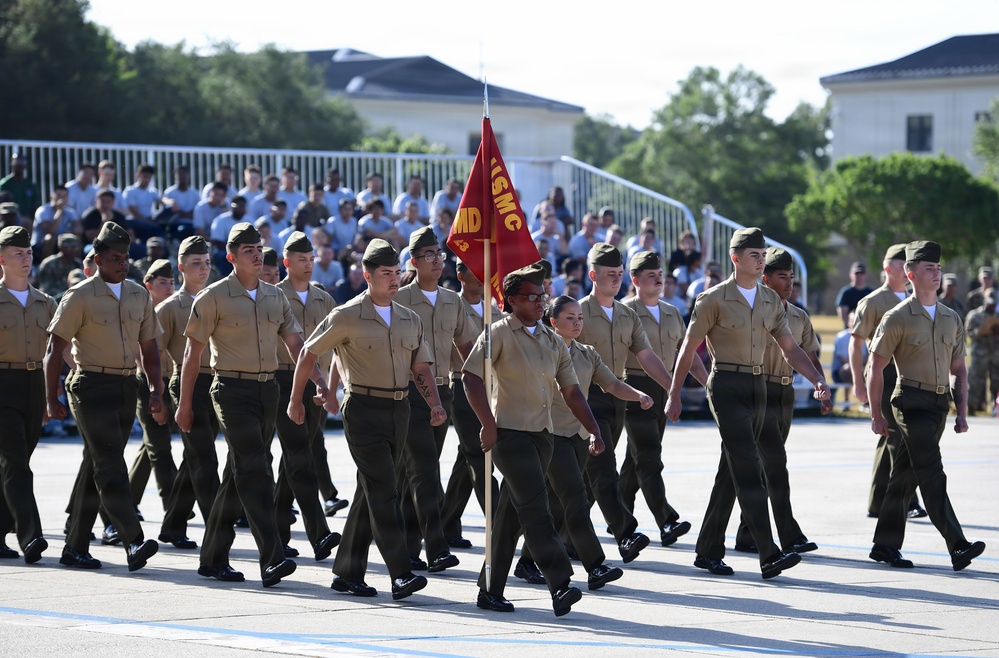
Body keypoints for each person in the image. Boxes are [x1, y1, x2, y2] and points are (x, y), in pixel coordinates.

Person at [666, 227, 831, 579]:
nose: (760, 261)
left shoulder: (769, 300)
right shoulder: (713, 299)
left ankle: (707, 550)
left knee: (731, 471)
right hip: (726, 385)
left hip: (759, 385)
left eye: (762, 255)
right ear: (735, 258)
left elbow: (790, 349)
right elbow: (688, 348)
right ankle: (769, 554)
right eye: (754, 255)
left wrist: (817, 378)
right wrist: (674, 393)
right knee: (749, 467)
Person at [287, 238, 443, 601]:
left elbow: (421, 366)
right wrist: (297, 399)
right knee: (385, 490)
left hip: (400, 409)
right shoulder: (347, 315)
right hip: (362, 409)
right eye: (386, 273)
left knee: (371, 490)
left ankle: (347, 572)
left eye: (397, 272)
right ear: (367, 275)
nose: (394, 279)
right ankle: (400, 573)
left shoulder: (409, 318)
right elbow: (308, 353)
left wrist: (434, 403)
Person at [175, 221, 308, 588]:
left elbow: (296, 345)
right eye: (248, 250)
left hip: (268, 391)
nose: (256, 255)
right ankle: (272, 557)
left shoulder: (274, 296)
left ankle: (212, 558)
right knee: (256, 469)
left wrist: (316, 385)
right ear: (231, 256)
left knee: (239, 474)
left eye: (259, 248)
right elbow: (191, 354)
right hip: (231, 390)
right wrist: (184, 404)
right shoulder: (213, 297)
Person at [462, 262, 599, 617]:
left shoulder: (552, 340)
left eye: (543, 296)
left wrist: (594, 429)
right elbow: (471, 378)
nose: (541, 302)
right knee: (538, 510)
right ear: (511, 300)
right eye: (532, 297)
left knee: (510, 518)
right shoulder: (497, 334)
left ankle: (489, 590)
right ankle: (560, 583)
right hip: (509, 436)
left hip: (543, 436)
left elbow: (571, 392)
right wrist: (487, 423)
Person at [45, 221, 163, 572]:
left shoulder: (138, 294)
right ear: (97, 260)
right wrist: (51, 399)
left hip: (126, 386)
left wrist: (155, 390)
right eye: (114, 258)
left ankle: (74, 547)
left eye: (125, 258)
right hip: (90, 386)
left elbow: (150, 350)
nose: (122, 264)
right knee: (111, 463)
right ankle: (132, 539)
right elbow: (54, 351)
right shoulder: (79, 296)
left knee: (97, 463)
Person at [866, 240, 985, 571]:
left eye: (938, 268)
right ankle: (957, 545)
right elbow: (875, 367)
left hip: (938, 404)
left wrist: (961, 412)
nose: (936, 273)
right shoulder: (897, 317)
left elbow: (959, 369)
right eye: (929, 268)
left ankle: (884, 545)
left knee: (906, 474)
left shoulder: (951, 318)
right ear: (910, 273)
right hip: (910, 402)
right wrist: (876, 414)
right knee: (932, 471)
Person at [546, 294, 651, 590]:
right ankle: (595, 566)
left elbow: (612, 383)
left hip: (578, 435)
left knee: (556, 504)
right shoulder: (543, 350)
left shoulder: (586, 353)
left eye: (579, 318)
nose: (577, 323)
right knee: (575, 499)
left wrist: (638, 395)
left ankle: (528, 561)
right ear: (553, 322)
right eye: (569, 318)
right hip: (550, 434)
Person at [575, 243, 672, 564]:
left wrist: (671, 388)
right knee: (604, 470)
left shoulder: (627, 315)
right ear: (593, 275)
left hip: (616, 398)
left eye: (619, 274)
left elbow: (646, 355)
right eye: (609, 274)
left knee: (587, 480)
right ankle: (625, 532)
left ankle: (560, 541)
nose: (616, 279)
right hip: (585, 399)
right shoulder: (578, 313)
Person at [731, 248, 830, 555]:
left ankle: (747, 534)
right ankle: (789, 534)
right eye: (782, 277)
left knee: (767, 467)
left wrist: (820, 383)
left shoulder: (799, 316)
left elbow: (809, 354)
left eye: (791, 277)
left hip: (785, 393)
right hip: (759, 390)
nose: (789, 283)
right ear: (766, 279)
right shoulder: (756, 311)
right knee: (775, 465)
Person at [394, 227, 475, 572]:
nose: (437, 260)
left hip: (443, 391)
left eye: (439, 254)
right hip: (410, 393)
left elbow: (467, 346)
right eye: (429, 255)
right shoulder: (399, 299)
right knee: (426, 470)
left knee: (416, 473)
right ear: (413, 262)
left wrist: (483, 378)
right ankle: (437, 548)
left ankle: (408, 548)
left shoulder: (452, 300)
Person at [620, 252, 705, 547]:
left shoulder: (671, 312)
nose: (659, 279)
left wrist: (709, 384)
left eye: (660, 274)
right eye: (651, 275)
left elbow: (687, 354)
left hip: (665, 389)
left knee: (635, 461)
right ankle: (666, 520)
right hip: (635, 388)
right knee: (649, 457)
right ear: (635, 280)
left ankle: (619, 519)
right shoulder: (624, 312)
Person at [272, 231, 341, 560]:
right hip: (284, 380)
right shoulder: (273, 296)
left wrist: (332, 386)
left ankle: (278, 534)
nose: (309, 264)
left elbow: (340, 344)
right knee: (300, 457)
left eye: (312, 259)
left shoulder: (323, 299)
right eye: (302, 259)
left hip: (318, 383)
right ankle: (319, 534)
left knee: (295, 458)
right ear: (287, 262)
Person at [849, 244, 926, 520]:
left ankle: (876, 502)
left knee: (888, 438)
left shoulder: (915, 299)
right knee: (899, 437)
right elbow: (856, 342)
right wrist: (858, 382)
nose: (905, 270)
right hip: (883, 375)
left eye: (909, 265)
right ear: (886, 268)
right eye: (900, 265)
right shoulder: (873, 302)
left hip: (908, 375)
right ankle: (908, 500)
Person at [156, 236, 219, 549]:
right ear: (181, 267)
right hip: (186, 384)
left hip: (216, 383)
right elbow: (152, 353)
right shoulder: (169, 308)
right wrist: (157, 397)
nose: (203, 268)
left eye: (206, 262)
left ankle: (173, 525)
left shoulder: (217, 299)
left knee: (195, 456)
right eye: (196, 263)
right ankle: (218, 528)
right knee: (205, 458)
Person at [0, 225, 56, 564]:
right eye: (18, 254)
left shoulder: (45, 302)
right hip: (2, 383)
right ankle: (30, 535)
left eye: (29, 253)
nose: (26, 259)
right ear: (2, 260)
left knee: (15, 463)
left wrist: (55, 392)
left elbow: (58, 349)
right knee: (16, 462)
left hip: (33, 383)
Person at [439, 261, 501, 548]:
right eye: (474, 272)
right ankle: (500, 523)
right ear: (460, 275)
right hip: (463, 385)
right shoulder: (452, 307)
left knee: (467, 459)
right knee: (480, 455)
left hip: (493, 387)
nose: (480, 278)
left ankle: (446, 524)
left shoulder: (495, 311)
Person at [965, 289, 999, 414]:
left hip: (996, 356)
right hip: (979, 355)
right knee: (975, 382)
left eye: (994, 304)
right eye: (990, 303)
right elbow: (969, 333)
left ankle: (995, 409)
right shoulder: (974, 315)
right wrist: (981, 330)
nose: (991, 306)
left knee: (996, 382)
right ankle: (972, 407)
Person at [32, 186, 79, 261]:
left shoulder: (70, 212)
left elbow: (79, 229)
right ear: (52, 196)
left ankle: (75, 265)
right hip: (40, 245)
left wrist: (71, 231)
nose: (61, 199)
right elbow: (51, 231)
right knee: (50, 238)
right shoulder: (42, 210)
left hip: (62, 242)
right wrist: (59, 211)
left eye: (64, 196)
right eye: (58, 195)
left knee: (75, 238)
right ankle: (45, 265)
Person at [122, 163, 162, 241]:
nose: (147, 180)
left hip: (149, 220)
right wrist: (150, 222)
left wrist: (171, 203)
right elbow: (135, 214)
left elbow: (161, 201)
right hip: (135, 221)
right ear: (138, 175)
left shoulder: (152, 191)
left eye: (149, 177)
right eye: (145, 177)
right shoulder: (130, 191)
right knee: (151, 228)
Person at [36, 234, 82, 299]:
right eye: (70, 247)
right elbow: (45, 289)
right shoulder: (49, 264)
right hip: (51, 300)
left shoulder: (78, 265)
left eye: (75, 247)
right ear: (61, 248)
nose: (74, 250)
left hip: (71, 299)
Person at [160, 165, 200, 240]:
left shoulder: (195, 194)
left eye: (184, 174)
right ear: (175, 176)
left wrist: (180, 213)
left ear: (188, 176)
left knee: (183, 231)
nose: (182, 177)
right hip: (172, 223)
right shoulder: (169, 192)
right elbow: (166, 210)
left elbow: (196, 214)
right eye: (179, 174)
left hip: (189, 224)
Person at [0, 153, 40, 223]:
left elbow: (35, 204)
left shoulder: (30, 185)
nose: (19, 165)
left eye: (22, 162)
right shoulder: (5, 184)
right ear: (11, 164)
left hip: (28, 218)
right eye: (17, 162)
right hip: (9, 217)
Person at [836, 261, 873, 329]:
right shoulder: (846, 292)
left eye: (862, 273)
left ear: (865, 275)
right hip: (849, 329)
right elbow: (842, 313)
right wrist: (851, 326)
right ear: (851, 274)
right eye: (857, 273)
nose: (859, 276)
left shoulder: (871, 293)